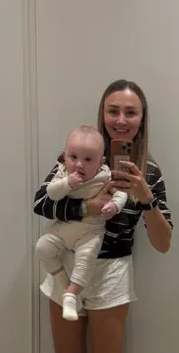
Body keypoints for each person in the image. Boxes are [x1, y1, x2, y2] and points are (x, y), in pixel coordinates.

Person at [33, 79, 173, 353]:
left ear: (141, 119)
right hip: (66, 270)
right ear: (102, 113)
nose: (121, 120)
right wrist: (87, 208)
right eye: (113, 110)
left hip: (111, 276)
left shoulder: (148, 171)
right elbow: (41, 203)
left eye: (130, 112)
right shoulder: (77, 156)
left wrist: (146, 199)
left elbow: (164, 242)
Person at [35, 126, 127, 321]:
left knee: (85, 260)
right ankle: (63, 284)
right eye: (73, 157)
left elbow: (121, 193)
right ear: (64, 156)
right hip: (63, 230)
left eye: (88, 160)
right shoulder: (62, 172)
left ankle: (71, 295)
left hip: (90, 233)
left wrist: (114, 206)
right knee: (42, 248)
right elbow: (48, 196)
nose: (79, 165)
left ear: (101, 162)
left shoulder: (105, 176)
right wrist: (68, 184)